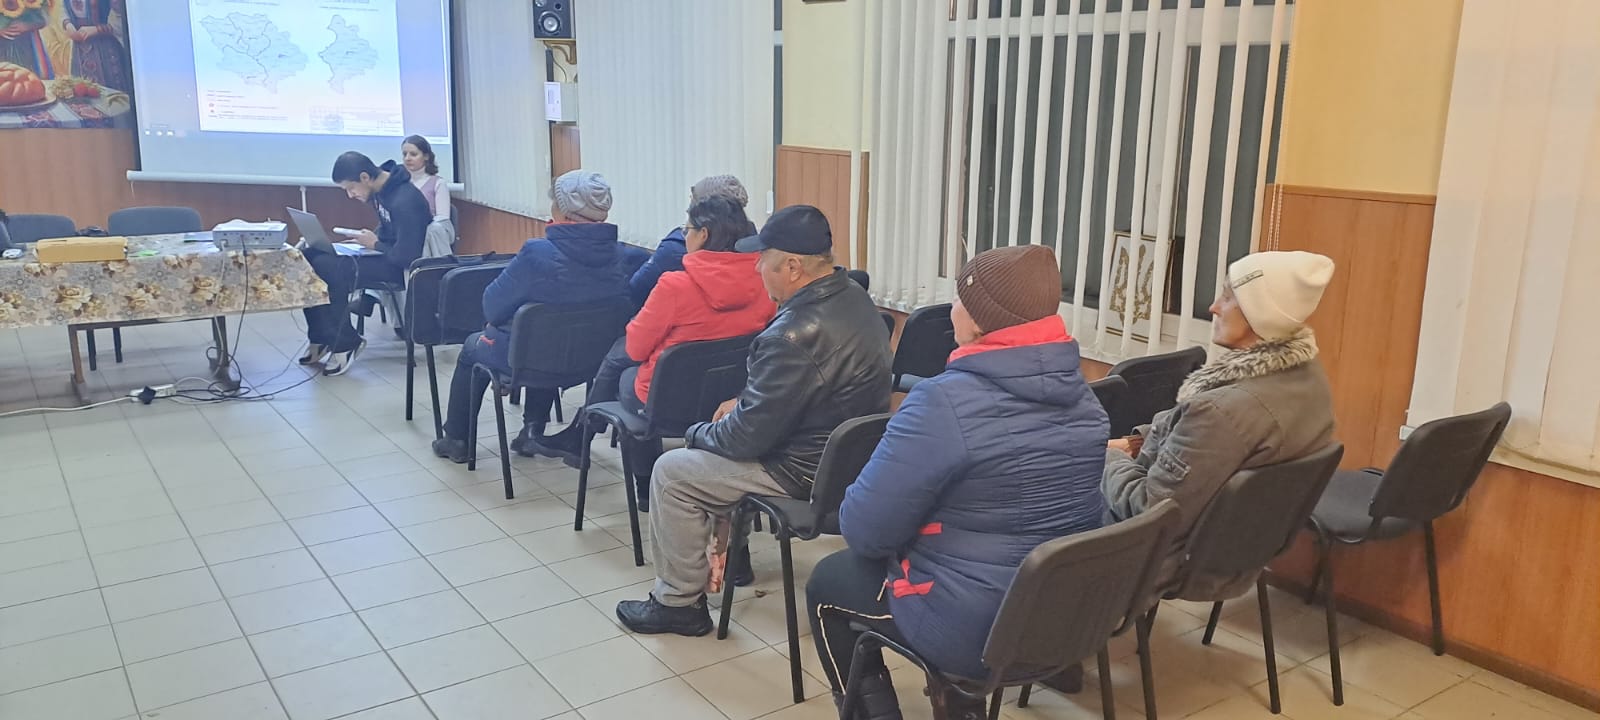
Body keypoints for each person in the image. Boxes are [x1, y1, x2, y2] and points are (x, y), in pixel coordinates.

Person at [804, 245, 1108, 720]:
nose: (952, 309)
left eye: (960, 300)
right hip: (1070, 619)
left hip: (977, 633)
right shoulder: (1086, 398)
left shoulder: (941, 403)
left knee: (828, 581)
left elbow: (864, 531)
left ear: (982, 319)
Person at [615, 205, 891, 636]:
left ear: (793, 267)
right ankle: (731, 563)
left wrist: (696, 433)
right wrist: (745, 401)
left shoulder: (792, 333)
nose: (757, 267)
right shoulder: (855, 298)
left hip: (801, 471)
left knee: (671, 472)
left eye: (763, 258)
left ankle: (678, 603)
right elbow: (806, 386)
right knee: (720, 436)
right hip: (852, 461)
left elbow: (745, 439)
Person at [1102, 250, 1336, 597]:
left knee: (1042, 510)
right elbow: (1198, 440)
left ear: (1259, 312)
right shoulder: (1308, 381)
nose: (1214, 307)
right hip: (1239, 553)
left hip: (1168, 563)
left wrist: (1105, 458)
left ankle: (1054, 624)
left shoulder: (1220, 412)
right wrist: (1136, 443)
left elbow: (1149, 510)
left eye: (1228, 296)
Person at [532, 195, 775, 511]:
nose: (684, 236)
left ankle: (645, 487)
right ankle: (585, 434)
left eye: (687, 230)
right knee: (627, 365)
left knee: (625, 375)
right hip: (730, 398)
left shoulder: (675, 285)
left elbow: (635, 347)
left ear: (703, 234)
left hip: (667, 403)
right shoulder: (764, 280)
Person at [430, 169, 648, 463]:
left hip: (531, 359)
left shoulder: (537, 254)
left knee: (474, 347)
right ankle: (531, 431)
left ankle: (457, 439)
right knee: (549, 335)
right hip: (591, 361)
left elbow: (492, 305)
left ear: (564, 211)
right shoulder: (626, 257)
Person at [302, 151, 430, 375]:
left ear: (365, 177)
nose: (351, 195)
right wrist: (366, 241)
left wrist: (375, 244)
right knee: (310, 257)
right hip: (385, 256)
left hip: (401, 269)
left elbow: (408, 256)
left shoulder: (405, 200)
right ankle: (321, 336)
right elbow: (390, 231)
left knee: (328, 268)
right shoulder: (381, 192)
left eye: (351, 188)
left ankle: (345, 342)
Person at [628, 174, 749, 307]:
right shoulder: (754, 253)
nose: (688, 208)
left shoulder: (674, 250)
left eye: (694, 199)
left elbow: (636, 291)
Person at [401, 135, 455, 257]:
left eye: (413, 154)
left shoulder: (438, 183)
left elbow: (443, 218)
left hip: (431, 232)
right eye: (405, 154)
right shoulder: (400, 183)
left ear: (426, 156)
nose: (407, 158)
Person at [62, 0, 131, 93]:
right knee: (83, 93)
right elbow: (63, 9)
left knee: (111, 95)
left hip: (106, 51)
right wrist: (68, 24)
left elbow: (123, 18)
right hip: (80, 51)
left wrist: (96, 29)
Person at [0, 2, 51, 77]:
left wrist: (27, 26)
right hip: (3, 45)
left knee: (26, 75)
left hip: (26, 43)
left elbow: (43, 18)